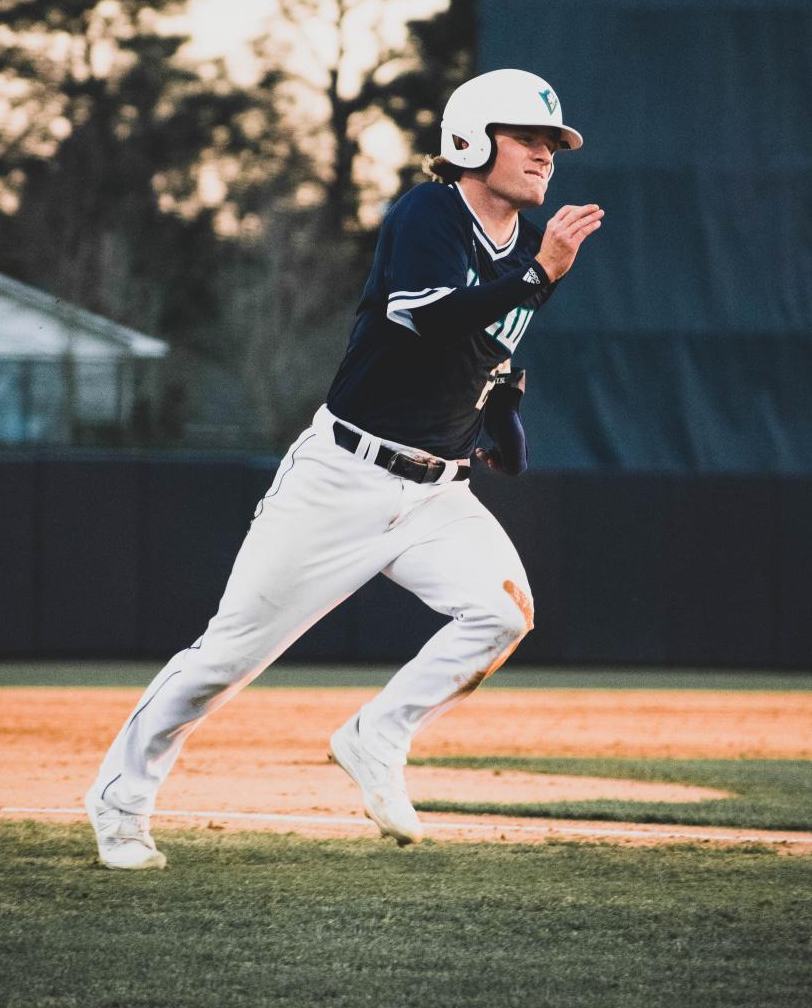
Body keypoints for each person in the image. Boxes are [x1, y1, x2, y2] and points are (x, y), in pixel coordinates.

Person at [85, 68, 603, 869]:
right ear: (471, 139)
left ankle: (376, 736)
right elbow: (425, 315)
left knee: (501, 614)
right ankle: (119, 801)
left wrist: (499, 413)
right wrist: (538, 276)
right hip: (343, 476)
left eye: (552, 144)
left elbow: (489, 350)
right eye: (528, 137)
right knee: (224, 659)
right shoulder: (428, 210)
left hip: (435, 490)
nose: (545, 155)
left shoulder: (527, 253)